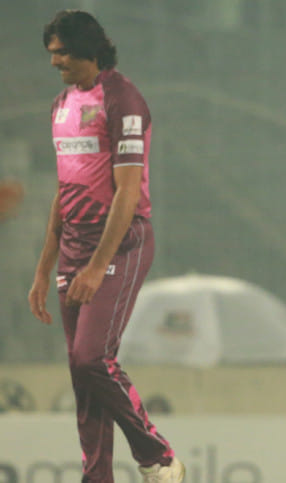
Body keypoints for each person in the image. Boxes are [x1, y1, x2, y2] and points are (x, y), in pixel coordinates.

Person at [27, 10, 184, 482]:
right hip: (74, 246)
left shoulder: (122, 99)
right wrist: (43, 268)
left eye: (62, 53)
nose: (54, 62)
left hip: (121, 242)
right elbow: (64, 190)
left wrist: (96, 267)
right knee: (82, 376)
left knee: (91, 358)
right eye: (51, 53)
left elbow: (128, 192)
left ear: (88, 49)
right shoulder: (61, 104)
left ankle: (158, 456)